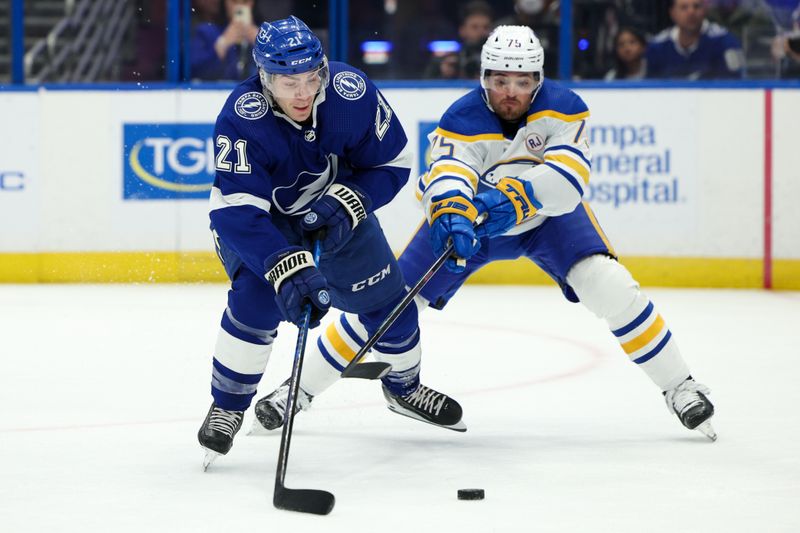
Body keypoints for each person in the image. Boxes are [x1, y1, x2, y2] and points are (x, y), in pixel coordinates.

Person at [255, 25, 718, 442]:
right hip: (472, 225)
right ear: (484, 77)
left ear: (538, 79)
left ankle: (681, 386)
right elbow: (448, 176)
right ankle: (295, 393)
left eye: (522, 82)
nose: (511, 92)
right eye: (500, 80)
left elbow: (567, 184)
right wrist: (453, 214)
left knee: (611, 286)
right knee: (386, 306)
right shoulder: (462, 117)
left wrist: (513, 200)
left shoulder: (566, 108)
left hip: (547, 222)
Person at [197, 15, 462, 466]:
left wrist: (355, 198)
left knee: (389, 307)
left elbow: (393, 163)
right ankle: (227, 406)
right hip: (268, 229)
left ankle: (404, 388)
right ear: (264, 77)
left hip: (341, 213)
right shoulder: (242, 116)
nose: (302, 93)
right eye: (286, 82)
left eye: (310, 78)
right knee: (257, 303)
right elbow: (237, 212)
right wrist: (285, 264)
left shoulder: (349, 93)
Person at [646, 0, 744, 79]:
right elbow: (649, 87)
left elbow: (737, 81)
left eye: (696, 6)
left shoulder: (726, 41)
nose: (691, 12)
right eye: (684, 7)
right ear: (672, 13)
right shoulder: (657, 46)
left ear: (705, 10)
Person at [190, 0, 260, 81]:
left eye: (245, 2)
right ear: (224, 3)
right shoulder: (206, 32)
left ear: (253, 3)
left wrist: (262, 42)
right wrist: (221, 46)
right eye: (234, 2)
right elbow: (192, 73)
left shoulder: (266, 33)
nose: (239, 7)